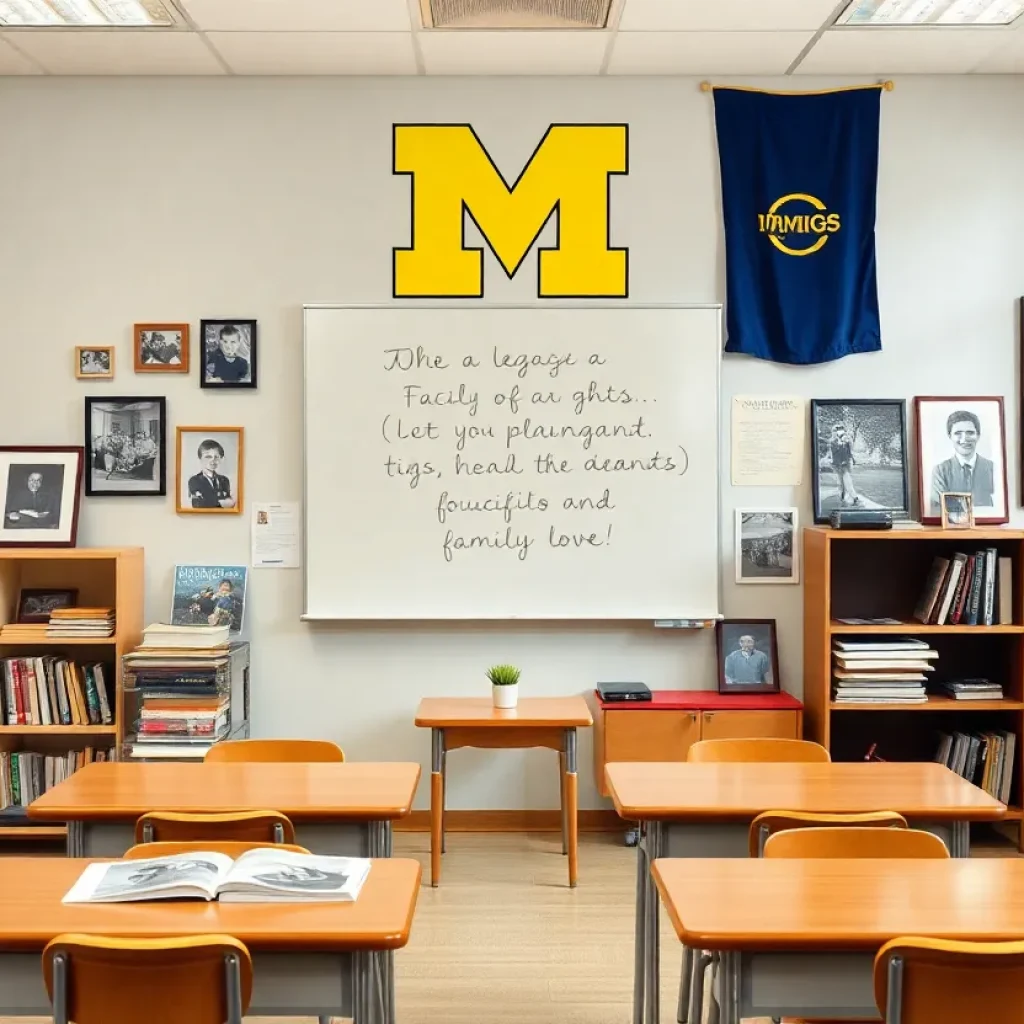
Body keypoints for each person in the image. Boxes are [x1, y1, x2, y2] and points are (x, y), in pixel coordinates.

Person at [930, 410, 995, 513]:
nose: (964, 439)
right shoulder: (940, 471)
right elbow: (938, 507)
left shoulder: (993, 469)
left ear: (978, 435)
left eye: (970, 433)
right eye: (958, 433)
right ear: (950, 436)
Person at [187, 439, 235, 509]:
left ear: (221, 459)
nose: (213, 460)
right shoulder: (194, 480)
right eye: (208, 457)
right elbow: (198, 505)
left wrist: (211, 501)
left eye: (216, 457)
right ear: (200, 459)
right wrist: (223, 503)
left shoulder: (224, 480)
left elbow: (231, 504)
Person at [828, 423, 860, 507]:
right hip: (837, 465)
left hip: (845, 465)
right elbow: (834, 453)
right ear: (832, 432)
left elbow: (849, 452)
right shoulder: (832, 442)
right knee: (841, 483)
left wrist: (848, 442)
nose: (835, 432)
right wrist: (840, 443)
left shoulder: (845, 440)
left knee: (848, 482)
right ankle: (842, 498)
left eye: (837, 430)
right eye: (834, 430)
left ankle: (855, 498)